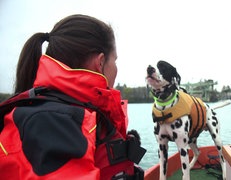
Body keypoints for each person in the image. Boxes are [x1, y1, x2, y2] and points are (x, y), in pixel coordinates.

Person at [0, 14, 144, 179]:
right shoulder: (54, 124)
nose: (116, 68)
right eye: (115, 60)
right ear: (101, 62)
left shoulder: (68, 116)